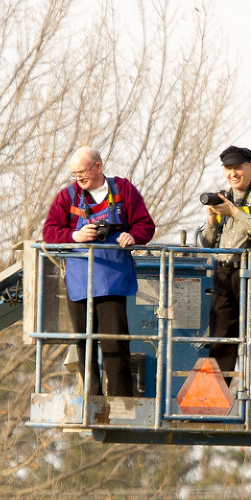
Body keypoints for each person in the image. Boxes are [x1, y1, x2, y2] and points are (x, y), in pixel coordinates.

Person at [42, 146, 155, 396]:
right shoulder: (68, 197)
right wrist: (75, 235)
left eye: (82, 172)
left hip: (112, 278)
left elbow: (145, 225)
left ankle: (120, 398)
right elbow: (49, 231)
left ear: (98, 167)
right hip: (79, 281)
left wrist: (132, 236)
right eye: (74, 174)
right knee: (84, 342)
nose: (79, 178)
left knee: (114, 342)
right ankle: (92, 397)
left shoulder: (124, 190)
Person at [198, 145, 251, 401]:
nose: (233, 173)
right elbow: (207, 242)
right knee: (220, 337)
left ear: (250, 168)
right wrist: (212, 219)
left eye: (238, 168)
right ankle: (211, 399)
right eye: (228, 169)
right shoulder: (222, 196)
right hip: (225, 272)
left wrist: (235, 212)